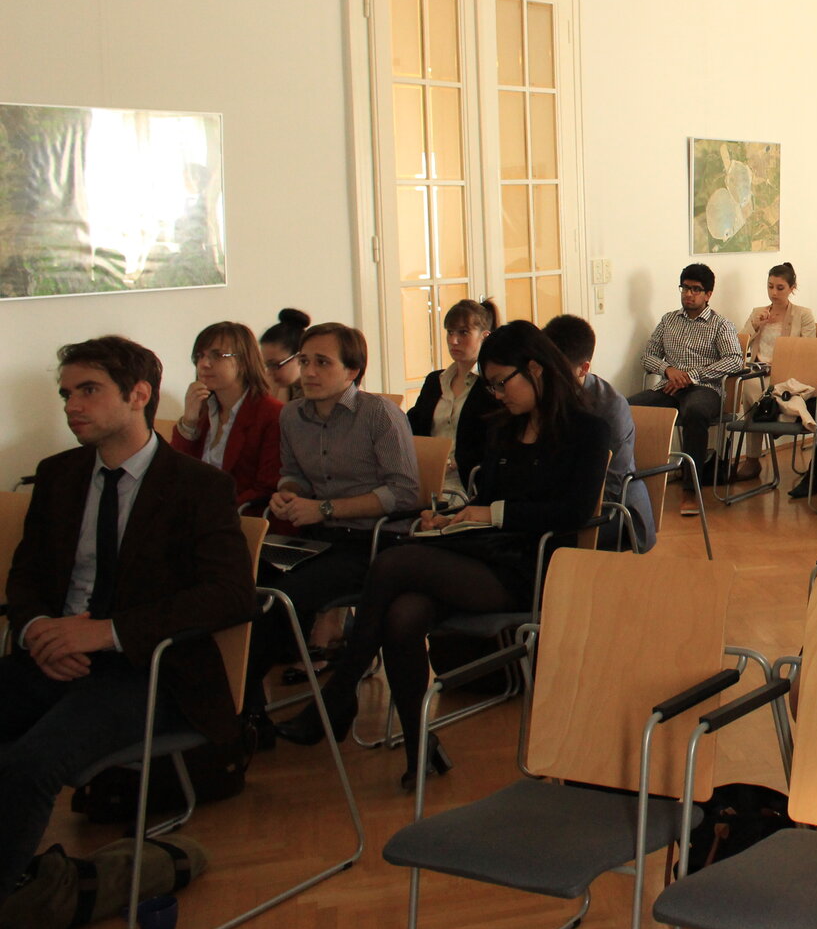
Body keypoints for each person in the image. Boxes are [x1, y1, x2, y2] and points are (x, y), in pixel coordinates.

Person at [279, 322, 614, 788]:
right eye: (491, 384)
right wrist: (455, 517)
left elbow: (573, 510)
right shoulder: (504, 426)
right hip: (488, 552)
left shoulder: (588, 429)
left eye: (502, 383)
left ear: (535, 369)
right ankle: (418, 745)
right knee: (403, 612)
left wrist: (489, 514)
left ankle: (340, 694)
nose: (497, 394)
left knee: (395, 562)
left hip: (538, 565)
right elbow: (486, 496)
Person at [1, 337, 254, 901]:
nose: (72, 405)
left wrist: (105, 633)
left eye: (89, 391)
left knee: (28, 764)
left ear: (139, 394)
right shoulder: (59, 474)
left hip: (145, 669)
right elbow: (27, 577)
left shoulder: (197, 486)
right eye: (67, 393)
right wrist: (36, 628)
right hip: (52, 655)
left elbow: (233, 594)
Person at [253, 323, 421, 732]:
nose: (309, 372)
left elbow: (404, 494)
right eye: (304, 361)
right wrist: (288, 494)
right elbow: (292, 474)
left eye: (322, 363)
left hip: (374, 542)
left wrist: (325, 509)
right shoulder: (292, 415)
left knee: (281, 598)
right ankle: (247, 710)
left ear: (352, 371)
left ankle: (253, 715)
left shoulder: (379, 414)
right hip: (318, 538)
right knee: (243, 582)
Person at [542, 313, 655, 550]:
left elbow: (611, 484)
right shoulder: (543, 395)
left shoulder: (610, 406)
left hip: (615, 509)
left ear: (583, 368)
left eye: (558, 369)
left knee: (544, 543)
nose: (548, 376)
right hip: (562, 502)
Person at [627, 263, 742, 483]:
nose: (688, 294)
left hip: (705, 389)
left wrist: (691, 376)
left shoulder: (720, 324)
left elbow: (734, 360)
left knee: (695, 412)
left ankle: (691, 487)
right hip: (669, 388)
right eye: (684, 288)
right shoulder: (668, 320)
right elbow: (647, 356)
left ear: (708, 294)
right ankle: (639, 478)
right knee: (629, 407)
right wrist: (668, 370)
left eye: (695, 289)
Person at [168, 321, 284, 511]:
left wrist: (213, 511)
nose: (204, 364)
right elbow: (175, 473)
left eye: (217, 355)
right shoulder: (204, 410)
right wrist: (188, 422)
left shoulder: (271, 414)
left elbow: (265, 488)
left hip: (239, 518)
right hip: (197, 517)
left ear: (244, 361)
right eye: (200, 356)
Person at [404, 297, 502, 499]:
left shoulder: (492, 385)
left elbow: (495, 441)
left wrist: (459, 461)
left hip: (469, 484)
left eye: (463, 333)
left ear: (485, 336)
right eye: (450, 332)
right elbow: (413, 425)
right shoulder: (435, 381)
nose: (453, 340)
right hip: (427, 480)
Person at [735, 262, 817, 484]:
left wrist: (780, 365)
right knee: (748, 384)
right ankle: (776, 417)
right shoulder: (757, 312)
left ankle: (775, 414)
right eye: (770, 286)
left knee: (762, 390)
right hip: (758, 372)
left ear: (792, 288)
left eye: (780, 288)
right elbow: (739, 345)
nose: (774, 293)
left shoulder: (803, 315)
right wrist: (756, 325)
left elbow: (808, 350)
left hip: (788, 374)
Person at [258, 307, 310, 403]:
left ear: (299, 358)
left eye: (274, 365)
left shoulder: (320, 393)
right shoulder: (284, 387)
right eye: (267, 365)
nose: (269, 372)